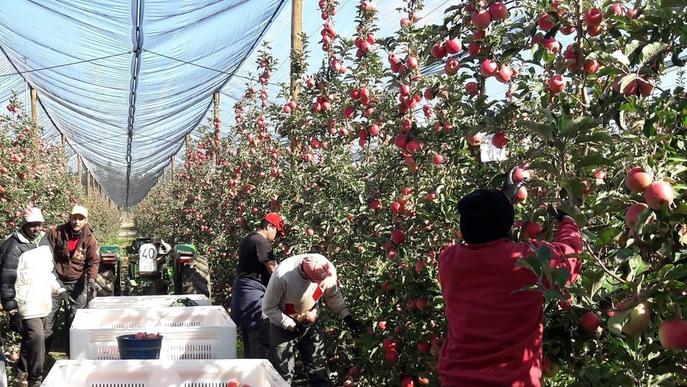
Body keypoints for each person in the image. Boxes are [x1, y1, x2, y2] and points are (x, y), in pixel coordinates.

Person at [437, 188, 583, 387]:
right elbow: (571, 256)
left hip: (456, 380)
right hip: (512, 381)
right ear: (508, 225)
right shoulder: (525, 262)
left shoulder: (448, 260)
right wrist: (568, 221)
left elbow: (486, 238)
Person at [262, 253, 363, 387]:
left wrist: (347, 316)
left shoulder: (328, 270)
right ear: (307, 276)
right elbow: (268, 307)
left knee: (318, 368)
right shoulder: (282, 275)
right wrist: (290, 323)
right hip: (282, 321)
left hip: (310, 321)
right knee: (282, 373)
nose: (319, 285)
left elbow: (332, 295)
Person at [0, 207, 69, 387]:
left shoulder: (44, 242)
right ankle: (35, 378)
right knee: (38, 337)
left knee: (30, 340)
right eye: (32, 225)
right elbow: (6, 279)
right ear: (24, 224)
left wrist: (59, 289)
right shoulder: (13, 246)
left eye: (39, 225)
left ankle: (21, 373)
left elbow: (49, 272)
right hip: (25, 303)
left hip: (42, 301)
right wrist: (11, 308)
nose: (36, 228)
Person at [44, 205, 100, 355]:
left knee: (74, 323)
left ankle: (73, 357)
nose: (76, 221)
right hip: (55, 282)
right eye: (74, 218)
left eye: (80, 219)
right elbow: (45, 255)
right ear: (69, 217)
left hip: (77, 284)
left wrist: (91, 281)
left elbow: (93, 262)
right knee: (46, 322)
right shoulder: (56, 233)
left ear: (86, 221)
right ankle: (40, 361)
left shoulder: (90, 239)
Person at [230, 213, 284, 359]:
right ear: (269, 226)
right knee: (260, 340)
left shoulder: (249, 239)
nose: (276, 235)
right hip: (254, 296)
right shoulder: (261, 242)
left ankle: (250, 376)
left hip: (244, 294)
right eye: (276, 231)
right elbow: (274, 270)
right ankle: (261, 378)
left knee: (250, 340)